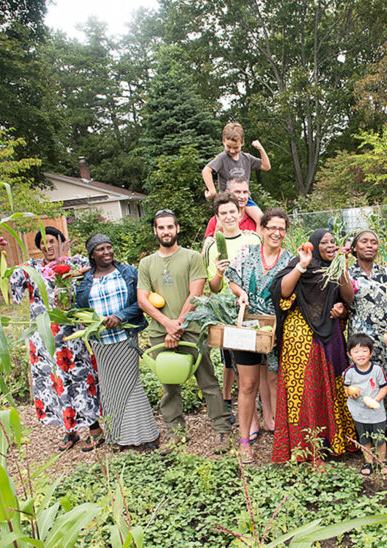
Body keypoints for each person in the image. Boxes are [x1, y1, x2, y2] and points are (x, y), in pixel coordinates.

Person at [137, 209, 232, 453]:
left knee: (207, 380)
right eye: (161, 227)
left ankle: (221, 430)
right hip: (161, 333)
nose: (166, 231)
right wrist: (167, 325)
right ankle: (175, 433)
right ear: (155, 231)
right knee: (169, 384)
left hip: (192, 328)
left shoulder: (191, 257)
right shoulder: (147, 263)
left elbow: (196, 293)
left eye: (170, 227)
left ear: (177, 229)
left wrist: (177, 324)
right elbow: (143, 300)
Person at [9, 226, 103, 452]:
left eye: (52, 241)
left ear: (61, 242)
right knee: (56, 381)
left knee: (81, 377)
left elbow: (98, 269)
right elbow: (12, 284)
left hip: (72, 334)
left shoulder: (76, 263)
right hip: (45, 337)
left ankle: (94, 428)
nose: (47, 246)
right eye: (43, 243)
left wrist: (72, 267)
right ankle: (69, 430)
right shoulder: (33, 269)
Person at [270, 228, 356, 463]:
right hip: (301, 340)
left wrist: (343, 270)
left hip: (330, 339)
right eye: (325, 242)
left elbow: (347, 298)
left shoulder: (335, 268)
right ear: (314, 245)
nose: (330, 245)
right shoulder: (300, 264)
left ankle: (334, 443)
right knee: (307, 391)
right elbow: (282, 291)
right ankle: (308, 449)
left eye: (333, 242)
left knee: (329, 388)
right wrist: (302, 265)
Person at [75, 234, 159, 452]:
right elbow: (79, 311)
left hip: (125, 338)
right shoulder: (84, 281)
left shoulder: (128, 273)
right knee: (110, 389)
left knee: (131, 386)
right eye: (100, 249)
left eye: (109, 248)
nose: (107, 253)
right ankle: (118, 438)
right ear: (92, 255)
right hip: (101, 342)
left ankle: (147, 436)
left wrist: (120, 316)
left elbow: (141, 303)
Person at [224, 209, 294, 462]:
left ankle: (281, 437)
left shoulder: (290, 260)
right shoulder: (247, 254)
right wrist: (240, 292)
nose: (276, 233)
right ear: (261, 230)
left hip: (276, 329)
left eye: (281, 229)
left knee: (276, 382)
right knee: (247, 384)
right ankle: (244, 441)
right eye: (272, 228)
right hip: (247, 327)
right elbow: (231, 278)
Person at [204, 191, 262, 427]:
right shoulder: (212, 247)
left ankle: (264, 412)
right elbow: (214, 288)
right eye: (223, 213)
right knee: (239, 369)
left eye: (232, 212)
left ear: (240, 213)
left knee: (265, 366)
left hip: (257, 308)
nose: (228, 217)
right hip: (230, 313)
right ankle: (250, 417)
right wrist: (218, 271)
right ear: (217, 217)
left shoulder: (253, 239)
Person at [347, 230, 387, 374]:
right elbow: (345, 301)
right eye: (364, 242)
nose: (369, 246)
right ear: (354, 248)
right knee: (364, 379)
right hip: (361, 339)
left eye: (374, 242)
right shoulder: (347, 274)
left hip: (386, 336)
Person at [202, 122, 270, 225]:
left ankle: (257, 241)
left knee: (260, 219)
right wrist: (212, 191)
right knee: (221, 224)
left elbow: (266, 166)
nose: (232, 151)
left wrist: (261, 149)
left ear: (242, 143)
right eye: (228, 147)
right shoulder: (222, 158)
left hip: (245, 199)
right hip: (227, 200)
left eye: (236, 147)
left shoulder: (246, 158)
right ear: (223, 141)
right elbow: (206, 170)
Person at [343, 333, 387, 476]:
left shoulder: (377, 370)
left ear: (371, 353)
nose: (360, 355)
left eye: (364, 350)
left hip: (376, 412)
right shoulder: (349, 372)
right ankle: (368, 462)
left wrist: (377, 399)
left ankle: (382, 462)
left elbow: (384, 387)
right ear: (349, 355)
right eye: (356, 351)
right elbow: (346, 388)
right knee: (364, 438)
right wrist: (350, 394)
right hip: (359, 412)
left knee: (380, 438)